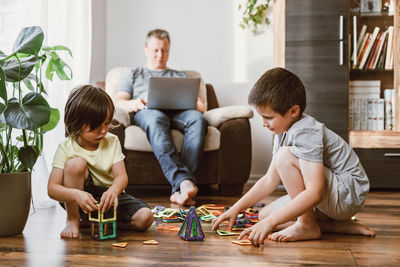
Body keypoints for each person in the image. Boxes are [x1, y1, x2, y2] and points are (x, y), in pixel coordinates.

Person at [212, 67, 376, 245]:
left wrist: (271, 224)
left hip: (347, 194)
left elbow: (315, 192)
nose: (264, 124)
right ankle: (332, 226)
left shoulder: (305, 131)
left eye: (268, 117)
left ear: (293, 111)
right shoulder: (282, 131)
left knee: (284, 158)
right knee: (264, 215)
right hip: (331, 196)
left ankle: (307, 225)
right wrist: (236, 208)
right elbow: (269, 180)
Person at [115, 29, 208, 206]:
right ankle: (184, 182)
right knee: (155, 120)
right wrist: (135, 103)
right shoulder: (134, 74)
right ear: (146, 49)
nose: (160, 55)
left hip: (179, 112)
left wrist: (184, 99)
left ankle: (179, 189)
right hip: (149, 112)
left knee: (198, 119)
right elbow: (118, 101)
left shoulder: (179, 75)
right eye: (155, 50)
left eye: (164, 50)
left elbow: (201, 107)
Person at [48, 85, 154, 239]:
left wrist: (113, 191)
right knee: (75, 164)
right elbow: (52, 189)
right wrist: (77, 195)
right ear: (76, 122)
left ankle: (97, 222)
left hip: (109, 197)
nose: (103, 131)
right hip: (80, 198)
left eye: (106, 123)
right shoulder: (66, 147)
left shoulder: (112, 141)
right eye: (95, 127)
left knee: (146, 218)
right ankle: (73, 219)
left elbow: (121, 177)